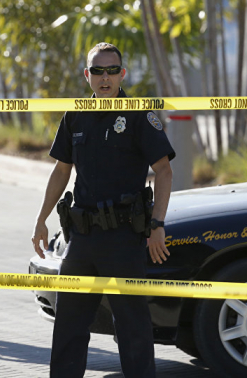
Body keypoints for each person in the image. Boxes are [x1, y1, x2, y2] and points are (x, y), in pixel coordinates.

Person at [32, 42, 175, 377]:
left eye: (112, 70)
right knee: (69, 324)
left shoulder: (138, 113)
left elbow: (164, 171)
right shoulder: (76, 113)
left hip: (124, 236)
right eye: (98, 70)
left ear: (122, 74)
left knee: (132, 327)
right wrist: (40, 219)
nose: (105, 77)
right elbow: (61, 171)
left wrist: (158, 224)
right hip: (81, 236)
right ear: (87, 75)